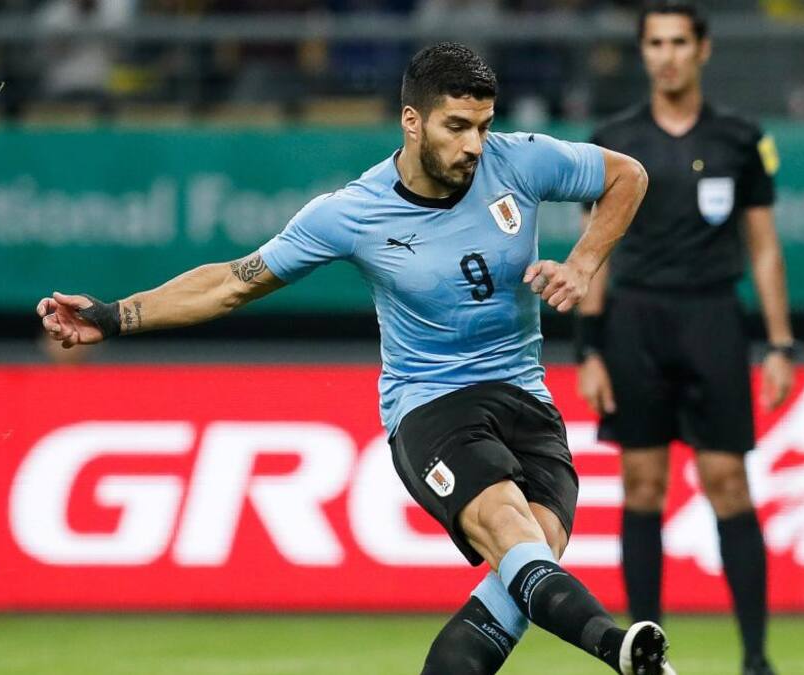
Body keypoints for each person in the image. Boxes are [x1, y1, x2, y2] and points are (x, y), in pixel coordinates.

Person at [37, 42, 674, 675]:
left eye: (483, 125)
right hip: (432, 406)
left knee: (520, 581)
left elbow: (628, 175)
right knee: (511, 530)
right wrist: (115, 315)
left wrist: (584, 263)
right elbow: (232, 282)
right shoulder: (352, 213)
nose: (475, 145)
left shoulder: (521, 160)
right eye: (457, 127)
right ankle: (620, 651)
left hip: (527, 400)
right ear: (413, 121)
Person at [575, 4, 795, 675]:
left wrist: (780, 343)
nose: (666, 54)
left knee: (728, 481)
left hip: (712, 318)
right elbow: (595, 252)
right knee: (643, 484)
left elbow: (761, 247)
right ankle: (647, 654)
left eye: (678, 42)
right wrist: (587, 347)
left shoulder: (740, 136)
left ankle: (755, 657)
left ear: (702, 50)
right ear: (642, 52)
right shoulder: (612, 141)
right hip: (635, 321)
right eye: (654, 43)